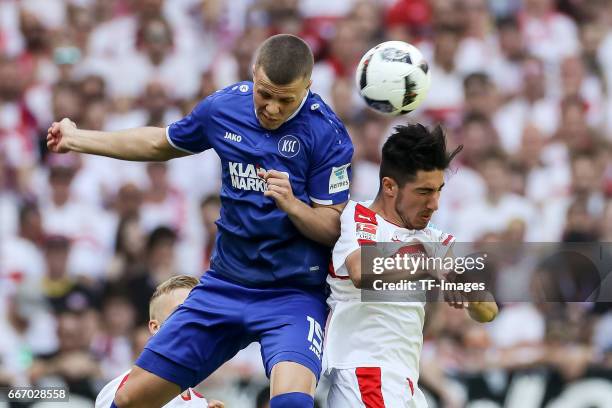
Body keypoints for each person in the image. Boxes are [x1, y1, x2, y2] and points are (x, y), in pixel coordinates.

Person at [47, 34, 353, 408]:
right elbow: (160, 143)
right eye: (264, 94)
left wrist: (293, 205)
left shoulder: (327, 133)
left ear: (308, 86)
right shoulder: (225, 107)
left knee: (292, 404)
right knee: (128, 402)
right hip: (225, 284)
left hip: (292, 295)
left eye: (285, 100)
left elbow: (332, 227)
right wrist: (78, 139)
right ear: (254, 75)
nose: (271, 108)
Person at [324, 124, 498, 407]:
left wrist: (465, 284)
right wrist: (426, 266)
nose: (435, 203)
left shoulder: (434, 240)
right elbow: (360, 272)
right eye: (424, 192)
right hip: (367, 371)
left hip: (404, 381)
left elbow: (488, 312)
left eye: (439, 190)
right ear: (390, 186)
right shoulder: (361, 216)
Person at [95, 275, 224, 408]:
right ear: (155, 327)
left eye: (198, 312)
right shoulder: (120, 390)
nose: (192, 320)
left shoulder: (200, 403)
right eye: (182, 311)